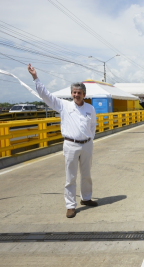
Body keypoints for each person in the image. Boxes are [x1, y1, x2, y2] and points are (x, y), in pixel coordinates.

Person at [27, 64, 98, 219]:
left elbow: (93, 125)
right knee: (70, 177)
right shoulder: (64, 105)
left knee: (86, 175)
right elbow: (45, 95)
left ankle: (86, 198)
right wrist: (35, 77)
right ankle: (70, 206)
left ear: (84, 94)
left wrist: (89, 139)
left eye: (79, 92)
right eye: (74, 92)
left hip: (87, 145)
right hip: (71, 145)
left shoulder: (90, 109)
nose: (76, 95)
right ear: (71, 93)